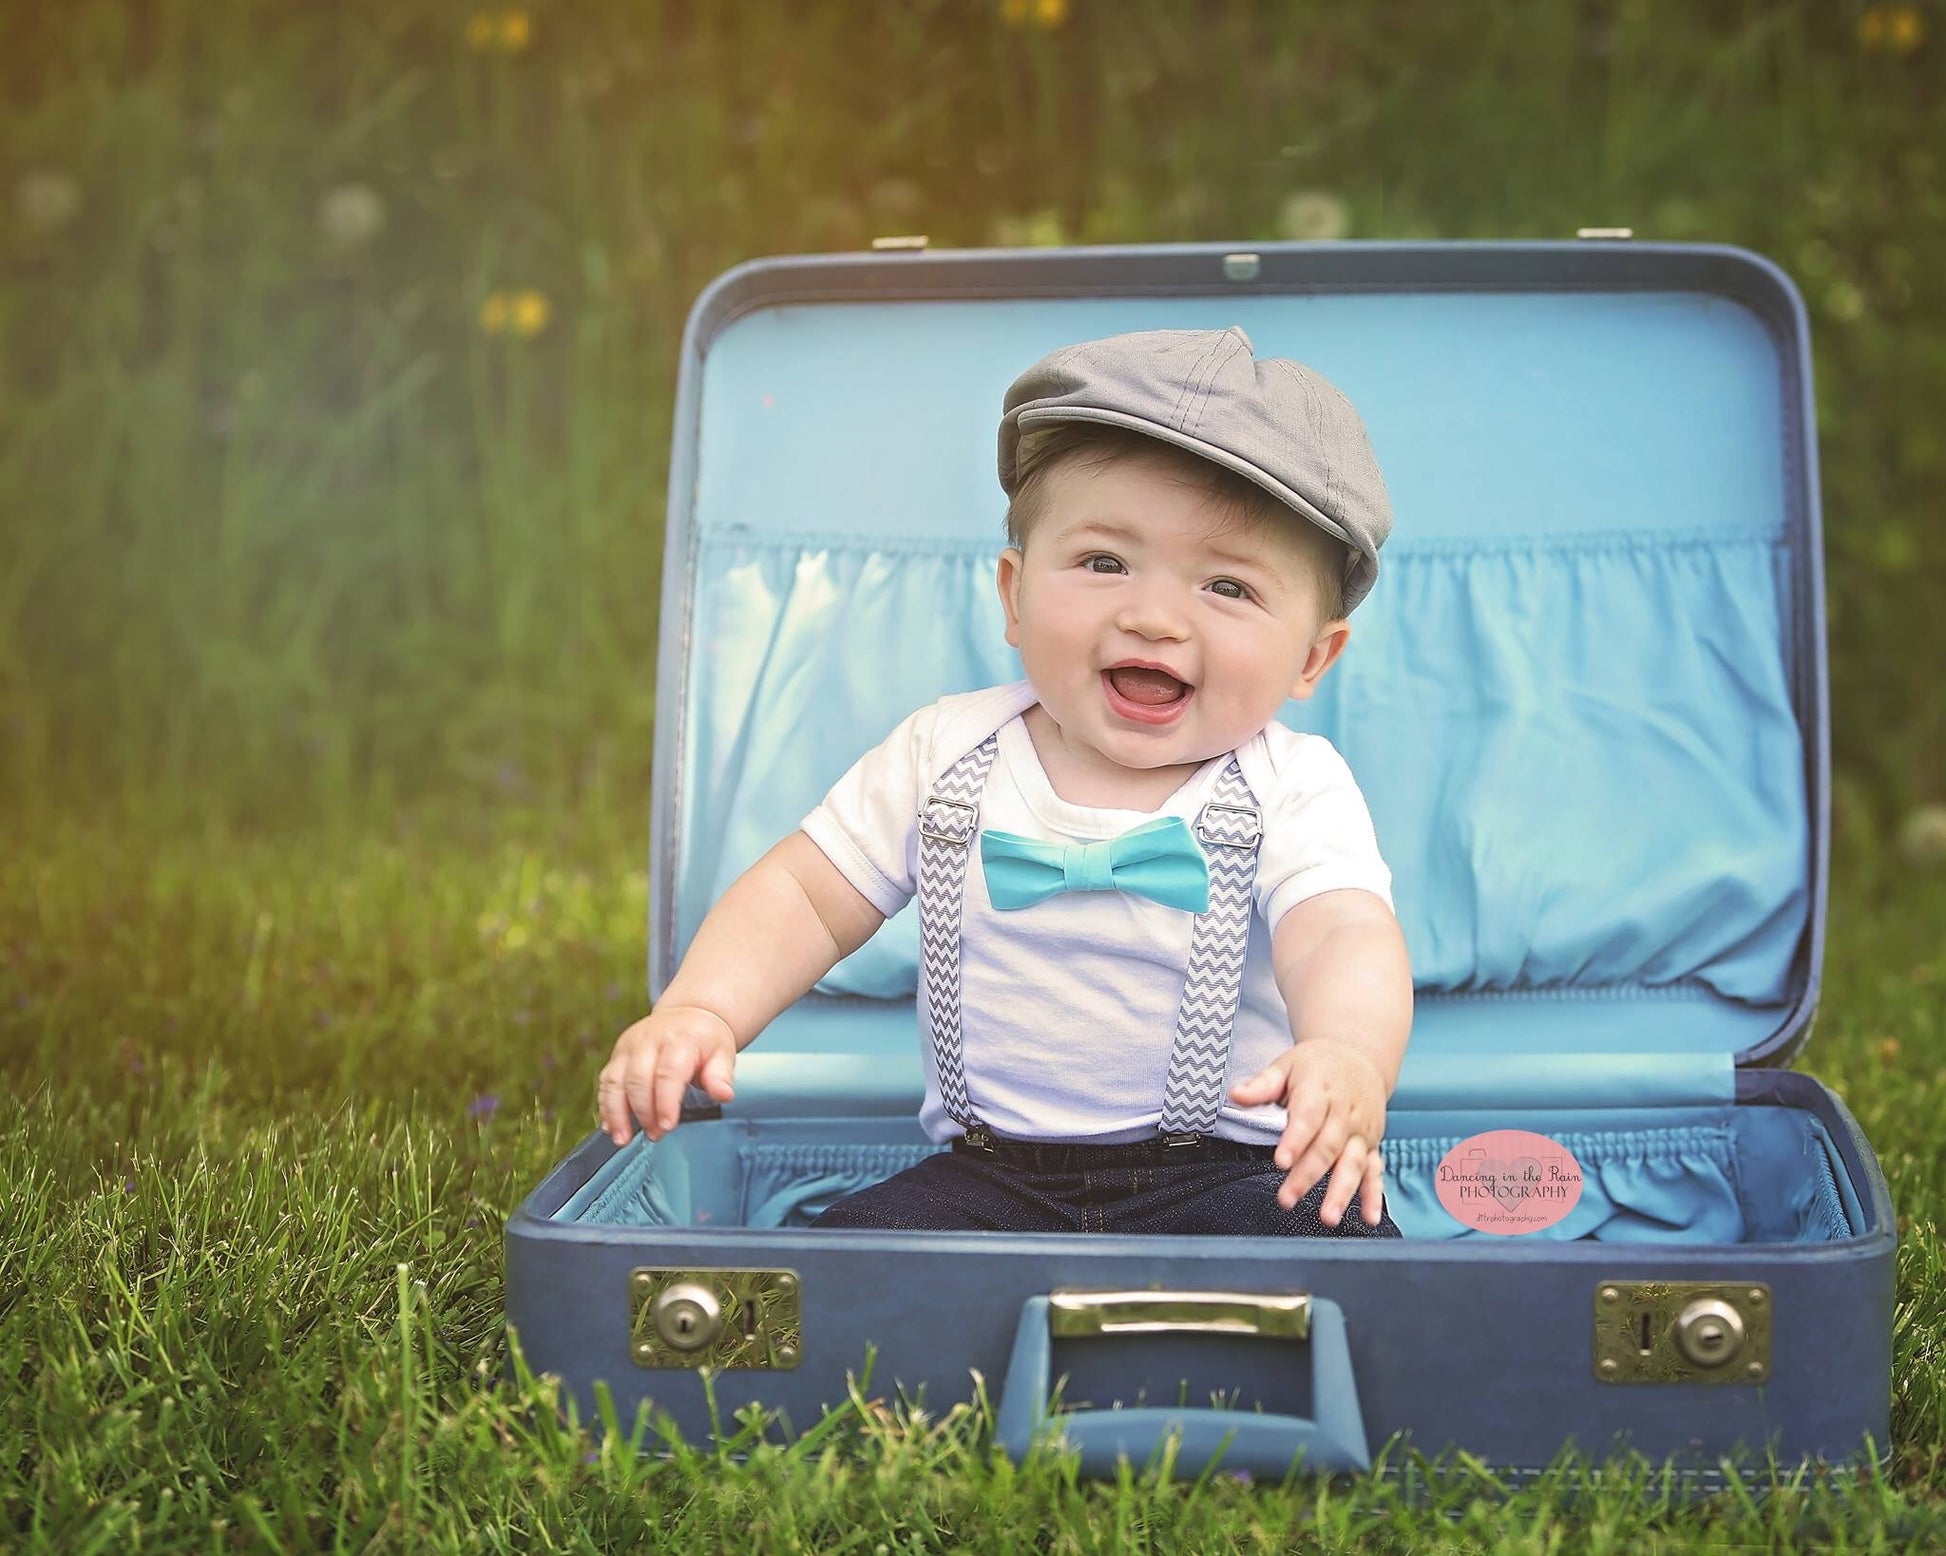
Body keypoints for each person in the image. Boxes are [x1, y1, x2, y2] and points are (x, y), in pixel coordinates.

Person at [598, 325, 1412, 1237]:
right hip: (985, 1181)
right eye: (1104, 563)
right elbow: (804, 894)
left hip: (1229, 1174)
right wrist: (703, 1007)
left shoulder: (1292, 784)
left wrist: (1348, 1052)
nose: (1152, 617)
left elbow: (1340, 931)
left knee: (1344, 1242)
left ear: (1314, 655)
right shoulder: (943, 753)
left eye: (1226, 588)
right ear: (1014, 594)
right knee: (831, 1264)